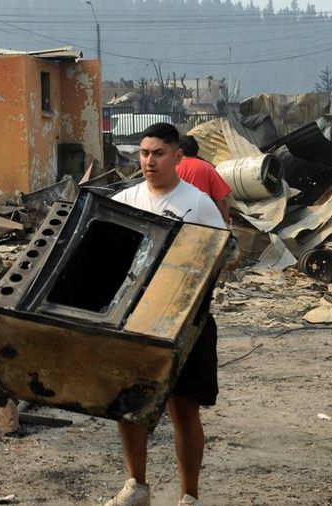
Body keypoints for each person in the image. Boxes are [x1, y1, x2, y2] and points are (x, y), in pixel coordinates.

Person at [106, 123, 227, 506]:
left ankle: (189, 496)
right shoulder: (126, 199)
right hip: (133, 319)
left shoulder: (199, 204)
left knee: (183, 408)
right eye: (144, 153)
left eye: (158, 153)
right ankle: (136, 485)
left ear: (178, 156)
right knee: (129, 406)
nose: (149, 161)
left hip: (185, 321)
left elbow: (220, 257)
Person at [176, 135, 232, 226]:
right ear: (197, 152)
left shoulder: (170, 168)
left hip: (175, 218)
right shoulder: (206, 167)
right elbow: (221, 199)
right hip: (202, 222)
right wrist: (227, 221)